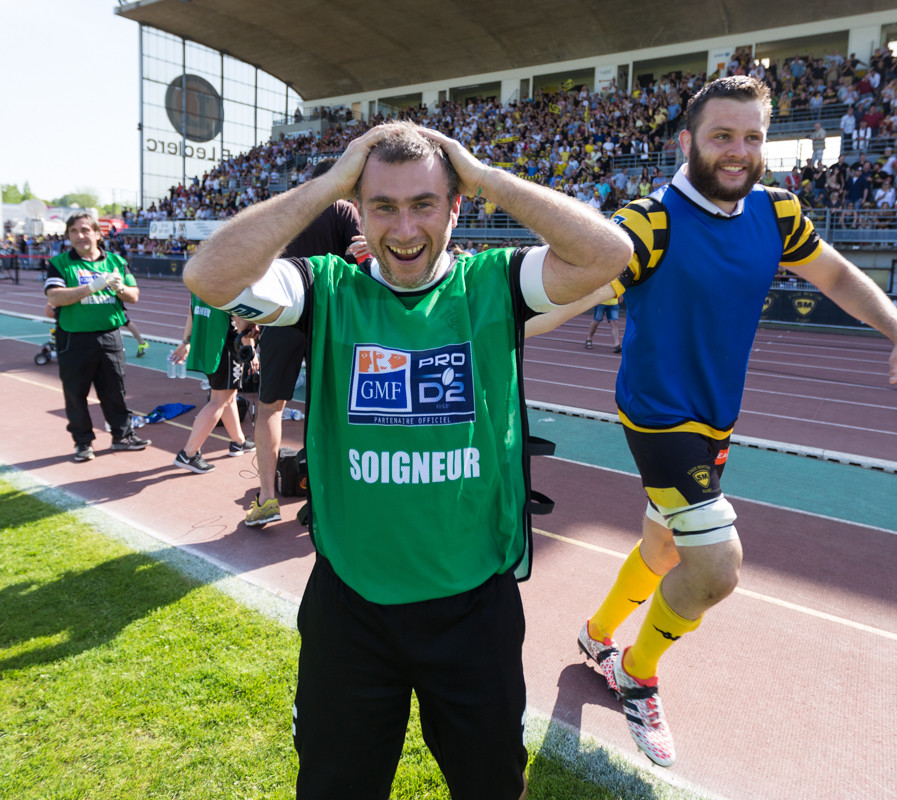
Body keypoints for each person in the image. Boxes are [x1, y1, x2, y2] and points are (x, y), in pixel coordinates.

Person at [182, 121, 632, 800]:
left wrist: (483, 175)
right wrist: (329, 183)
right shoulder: (327, 288)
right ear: (359, 213)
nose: (404, 227)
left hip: (474, 607)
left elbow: (609, 252)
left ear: (456, 207)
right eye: (382, 205)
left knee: (489, 789)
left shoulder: (494, 282)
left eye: (424, 203)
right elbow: (208, 278)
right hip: (351, 609)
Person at [527, 76, 897, 768]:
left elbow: (835, 276)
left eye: (753, 137)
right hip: (660, 419)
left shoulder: (776, 213)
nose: (739, 151)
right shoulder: (649, 221)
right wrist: (475, 321)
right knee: (716, 569)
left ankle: (597, 633)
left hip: (717, 420)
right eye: (723, 135)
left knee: (665, 552)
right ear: (687, 141)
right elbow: (575, 289)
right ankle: (636, 670)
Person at [247, 159, 363, 527]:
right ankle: (324, 499)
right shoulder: (343, 209)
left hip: (282, 314)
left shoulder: (282, 209)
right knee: (328, 409)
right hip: (327, 314)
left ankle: (267, 498)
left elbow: (257, 267)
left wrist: (250, 323)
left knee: (270, 407)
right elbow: (361, 259)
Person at [44, 211, 150, 462]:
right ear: (68, 235)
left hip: (110, 335)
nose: (79, 236)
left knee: (115, 390)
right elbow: (54, 297)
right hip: (74, 338)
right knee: (75, 393)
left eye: (85, 230)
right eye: (73, 231)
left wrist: (118, 287)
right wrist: (93, 286)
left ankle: (122, 437)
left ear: (97, 234)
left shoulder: (115, 260)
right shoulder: (60, 263)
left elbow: (133, 296)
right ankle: (83, 443)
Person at [168, 297, 256, 473]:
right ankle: (189, 453)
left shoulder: (201, 279)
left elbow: (192, 312)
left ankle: (238, 442)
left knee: (228, 397)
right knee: (218, 400)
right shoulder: (230, 282)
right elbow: (241, 320)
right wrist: (250, 349)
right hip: (227, 346)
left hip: (210, 347)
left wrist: (186, 341)